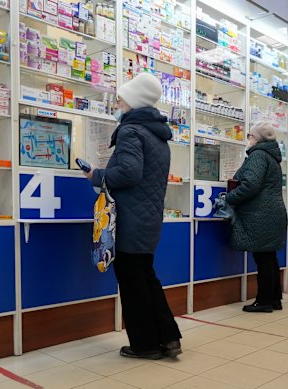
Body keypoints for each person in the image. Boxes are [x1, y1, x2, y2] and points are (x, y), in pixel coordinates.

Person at [83, 73, 182, 359]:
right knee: (147, 278)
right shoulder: (158, 135)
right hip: (148, 220)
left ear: (133, 101)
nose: (118, 104)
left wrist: (96, 175)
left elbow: (128, 172)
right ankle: (168, 336)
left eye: (121, 99)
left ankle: (146, 344)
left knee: (132, 283)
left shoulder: (131, 131)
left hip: (129, 220)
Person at [225, 122, 287, 313]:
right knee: (269, 257)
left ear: (257, 139)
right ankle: (274, 298)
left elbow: (250, 185)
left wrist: (229, 198)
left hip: (260, 213)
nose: (248, 139)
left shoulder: (258, 156)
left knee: (263, 259)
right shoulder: (271, 157)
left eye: (250, 136)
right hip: (271, 212)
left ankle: (264, 301)